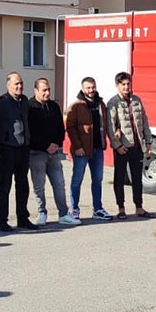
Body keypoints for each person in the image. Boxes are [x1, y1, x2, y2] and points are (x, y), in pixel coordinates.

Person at [28, 78, 79, 227]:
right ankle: (42, 212)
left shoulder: (54, 106)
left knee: (59, 183)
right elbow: (30, 132)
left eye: (48, 89)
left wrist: (56, 144)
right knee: (39, 185)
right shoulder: (30, 107)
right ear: (36, 90)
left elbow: (60, 129)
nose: (47, 93)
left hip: (54, 153)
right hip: (37, 153)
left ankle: (63, 214)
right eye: (44, 90)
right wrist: (44, 146)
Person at [0, 72, 35, 231]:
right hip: (7, 148)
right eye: (16, 84)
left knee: (22, 185)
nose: (19, 86)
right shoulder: (1, 102)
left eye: (21, 83)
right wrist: (2, 142)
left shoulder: (24, 101)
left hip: (23, 148)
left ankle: (23, 218)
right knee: (4, 186)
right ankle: (2, 220)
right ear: (8, 85)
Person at [106, 71, 154, 219]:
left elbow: (144, 121)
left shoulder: (137, 100)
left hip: (137, 146)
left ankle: (139, 207)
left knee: (137, 179)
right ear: (117, 85)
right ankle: (121, 208)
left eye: (128, 84)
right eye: (123, 84)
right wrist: (117, 145)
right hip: (122, 148)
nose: (127, 87)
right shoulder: (113, 103)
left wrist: (148, 140)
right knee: (119, 178)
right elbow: (110, 125)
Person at [65, 77, 113, 221]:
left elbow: (106, 124)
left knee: (97, 180)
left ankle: (97, 209)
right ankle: (74, 209)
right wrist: (78, 146)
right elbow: (71, 128)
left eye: (93, 87)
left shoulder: (101, 105)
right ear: (83, 89)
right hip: (82, 150)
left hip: (98, 149)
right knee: (77, 180)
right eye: (88, 88)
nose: (91, 90)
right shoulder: (76, 107)